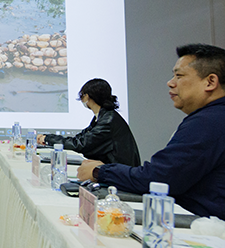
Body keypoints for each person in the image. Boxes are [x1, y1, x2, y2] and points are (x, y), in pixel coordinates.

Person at [78, 44, 225, 218]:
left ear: (210, 82)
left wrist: (99, 171)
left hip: (201, 225)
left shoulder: (209, 122)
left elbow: (160, 178)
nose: (170, 83)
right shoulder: (212, 117)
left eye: (179, 76)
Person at [38, 79, 140, 166]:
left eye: (82, 95)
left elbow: (81, 144)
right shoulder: (102, 116)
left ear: (87, 96)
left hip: (120, 174)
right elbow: (80, 138)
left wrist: (47, 139)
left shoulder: (108, 121)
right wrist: (48, 137)